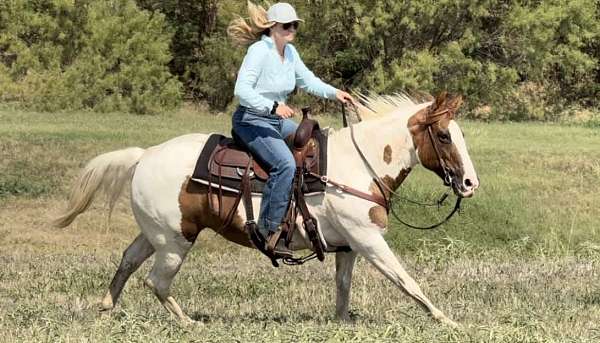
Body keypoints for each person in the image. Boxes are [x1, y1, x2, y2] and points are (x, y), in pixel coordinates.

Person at [227, 2, 355, 257]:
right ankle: (268, 230)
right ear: (273, 27)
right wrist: (273, 107)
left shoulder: (291, 52)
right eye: (287, 25)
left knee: (311, 146)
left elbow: (308, 81)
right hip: (250, 120)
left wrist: (335, 93)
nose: (292, 29)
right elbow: (241, 90)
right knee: (285, 163)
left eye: (295, 25)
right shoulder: (258, 51)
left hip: (274, 120)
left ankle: (302, 211)